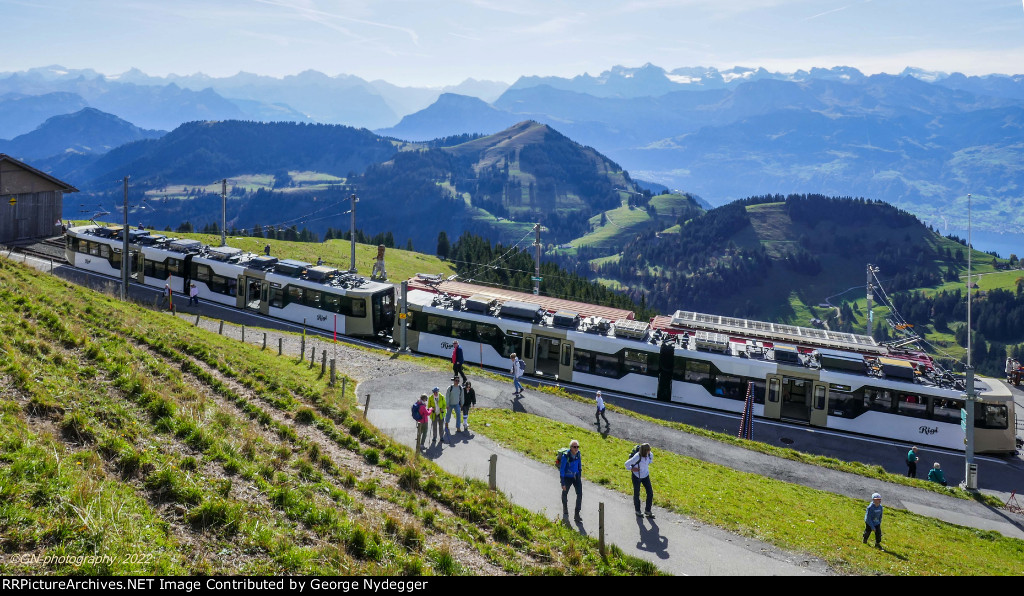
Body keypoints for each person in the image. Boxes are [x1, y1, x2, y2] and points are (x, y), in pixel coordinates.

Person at [625, 443, 654, 518]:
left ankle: (648, 510)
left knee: (650, 493)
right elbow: (626, 464)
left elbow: (650, 461)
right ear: (645, 451)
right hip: (636, 476)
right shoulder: (637, 457)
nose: (650, 451)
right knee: (637, 493)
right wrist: (632, 469)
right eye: (649, 450)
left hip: (645, 476)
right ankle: (637, 510)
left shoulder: (650, 455)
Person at [560, 439, 583, 522]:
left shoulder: (578, 454)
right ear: (571, 447)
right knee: (565, 493)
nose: (576, 448)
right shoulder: (565, 456)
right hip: (567, 477)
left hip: (576, 477)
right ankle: (565, 509)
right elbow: (562, 470)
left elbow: (579, 464)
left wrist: (579, 474)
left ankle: (577, 514)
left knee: (579, 494)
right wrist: (562, 482)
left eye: (577, 447)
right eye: (574, 447)